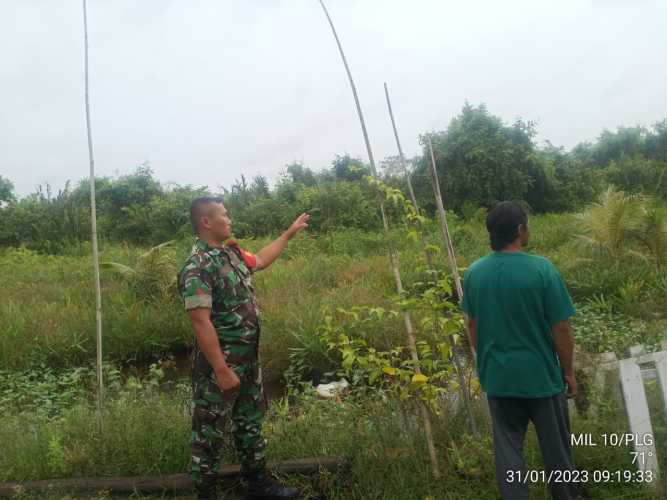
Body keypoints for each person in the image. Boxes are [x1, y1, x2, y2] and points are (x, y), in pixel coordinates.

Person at [178, 196, 309, 500]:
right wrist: (222, 370)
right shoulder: (198, 265)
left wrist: (289, 233)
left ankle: (258, 484)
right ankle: (206, 493)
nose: (230, 219)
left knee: (250, 422)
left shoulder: (230, 254)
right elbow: (200, 321)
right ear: (206, 222)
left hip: (247, 360)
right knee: (209, 430)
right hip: (220, 366)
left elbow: (260, 260)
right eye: (224, 215)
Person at [461, 201, 580, 500]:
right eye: (527, 224)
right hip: (541, 377)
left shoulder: (475, 273)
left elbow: (473, 326)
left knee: (508, 453)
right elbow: (561, 327)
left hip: (499, 378)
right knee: (557, 451)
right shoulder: (541, 269)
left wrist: (487, 361)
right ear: (519, 230)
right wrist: (568, 370)